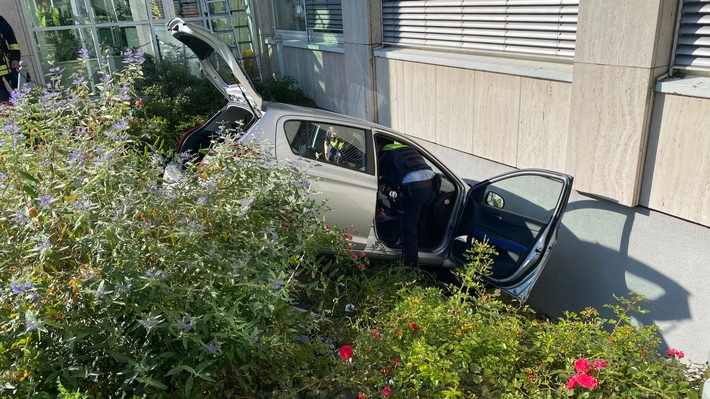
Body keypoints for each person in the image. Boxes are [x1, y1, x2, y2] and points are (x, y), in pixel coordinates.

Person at [377, 141, 437, 266]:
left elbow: (378, 181)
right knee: (420, 220)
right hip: (432, 184)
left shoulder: (383, 155)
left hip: (414, 188)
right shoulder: (404, 147)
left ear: (377, 146)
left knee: (408, 229)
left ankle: (411, 268)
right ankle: (425, 251)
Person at [0, 16, 21, 103]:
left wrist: (15, 58)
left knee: (20, 93)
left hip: (8, 64)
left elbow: (11, 38)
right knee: (3, 98)